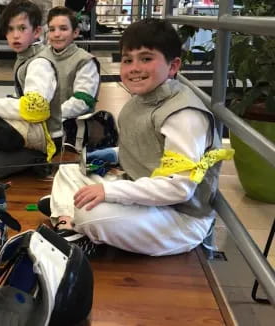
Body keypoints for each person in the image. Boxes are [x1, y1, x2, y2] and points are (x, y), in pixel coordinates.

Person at [41, 18, 234, 257]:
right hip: (145, 196)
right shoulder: (140, 102)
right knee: (71, 171)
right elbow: (150, 150)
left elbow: (179, 188)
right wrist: (112, 156)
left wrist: (110, 192)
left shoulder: (183, 115)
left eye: (146, 58)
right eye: (127, 60)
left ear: (173, 66)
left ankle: (74, 218)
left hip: (179, 218)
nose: (134, 68)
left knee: (91, 215)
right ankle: (67, 224)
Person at [0, 0, 62, 183]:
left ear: (37, 32)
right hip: (31, 130)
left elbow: (35, 108)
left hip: (44, 142)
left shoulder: (39, 63)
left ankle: (34, 160)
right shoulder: (27, 56)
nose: (15, 36)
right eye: (10, 29)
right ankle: (10, 155)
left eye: (22, 28)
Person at [42, 6, 100, 151]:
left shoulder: (85, 61)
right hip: (41, 125)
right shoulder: (41, 57)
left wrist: (48, 117)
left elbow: (82, 102)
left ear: (75, 32)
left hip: (71, 133)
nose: (56, 34)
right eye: (52, 29)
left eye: (63, 28)